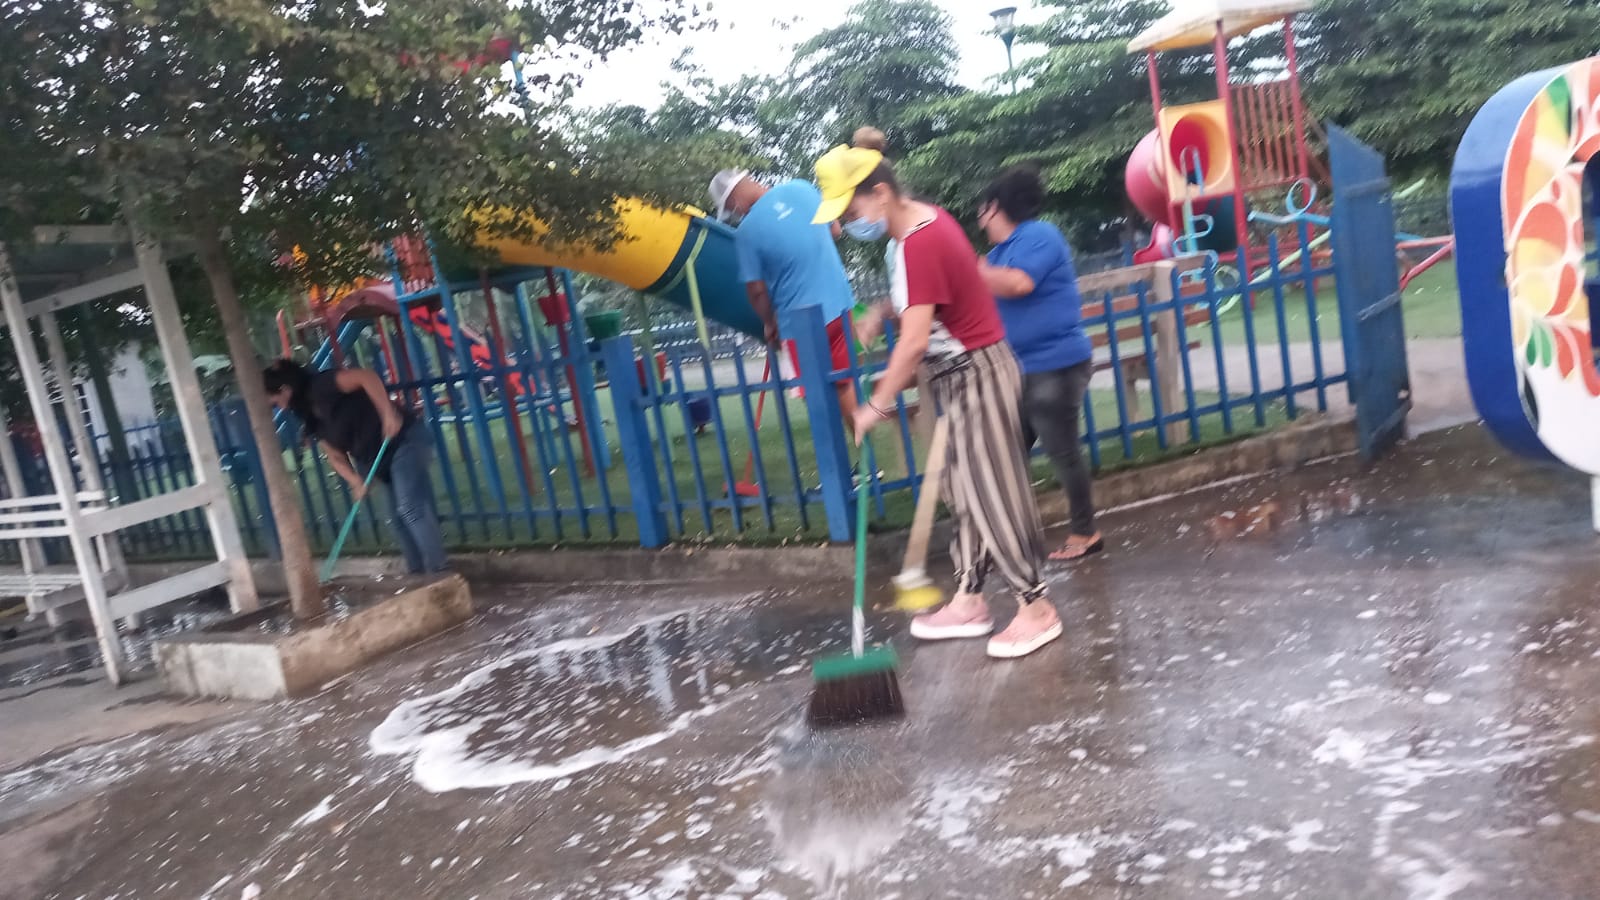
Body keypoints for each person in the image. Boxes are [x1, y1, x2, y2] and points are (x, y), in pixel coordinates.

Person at [812, 144, 1062, 660]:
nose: (850, 223)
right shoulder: (919, 228)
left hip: (979, 374)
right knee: (964, 492)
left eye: (851, 211)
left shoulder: (921, 240)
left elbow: (915, 342)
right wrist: (883, 312)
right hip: (959, 376)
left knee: (994, 493)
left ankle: (1036, 607)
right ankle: (969, 599)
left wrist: (875, 406)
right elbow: (928, 301)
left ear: (881, 193)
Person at [976, 165, 1103, 562]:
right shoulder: (997, 254)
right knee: (1007, 454)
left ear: (993, 207)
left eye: (981, 209)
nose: (978, 219)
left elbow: (1019, 283)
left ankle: (1085, 533)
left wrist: (972, 269)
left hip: (1055, 364)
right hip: (1019, 370)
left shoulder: (1038, 235)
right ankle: (1010, 537)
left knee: (1062, 451)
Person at [263, 360, 447, 574]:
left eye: (276, 402)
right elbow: (334, 455)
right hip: (380, 459)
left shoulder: (323, 384)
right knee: (396, 519)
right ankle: (417, 573)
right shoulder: (308, 415)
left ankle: (439, 570)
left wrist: (387, 413)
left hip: (405, 441)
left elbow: (366, 377)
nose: (280, 408)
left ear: (285, 389)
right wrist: (355, 481)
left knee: (410, 508)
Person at [708, 169, 857, 419]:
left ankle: (833, 444)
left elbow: (756, 291)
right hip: (840, 304)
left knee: (815, 393)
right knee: (845, 382)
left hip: (798, 323)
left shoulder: (747, 232)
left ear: (734, 199)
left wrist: (769, 322)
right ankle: (863, 441)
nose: (735, 213)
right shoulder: (802, 187)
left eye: (731, 209)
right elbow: (835, 230)